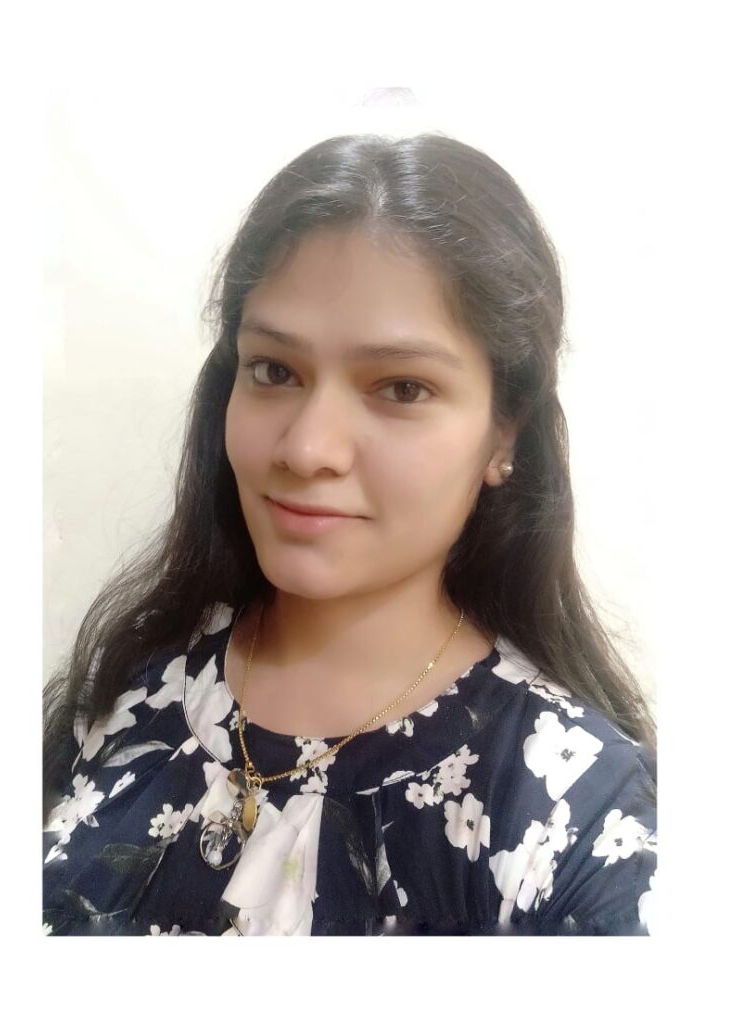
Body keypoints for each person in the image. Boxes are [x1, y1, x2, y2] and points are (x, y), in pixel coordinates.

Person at [42, 132, 657, 936]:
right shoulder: (136, 678)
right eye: (274, 371)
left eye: (401, 388)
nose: (306, 449)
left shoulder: (574, 815)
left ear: (504, 434)